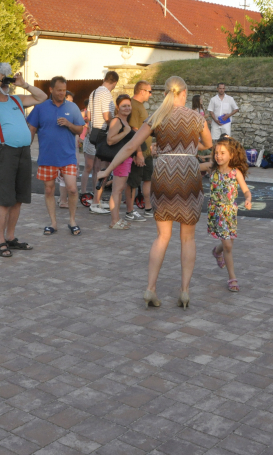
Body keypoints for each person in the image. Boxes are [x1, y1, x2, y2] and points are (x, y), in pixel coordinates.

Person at [98, 76, 212, 309]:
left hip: (165, 172)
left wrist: (108, 170)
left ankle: (151, 288)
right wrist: (189, 143)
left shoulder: (157, 116)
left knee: (162, 236)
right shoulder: (195, 117)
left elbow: (130, 146)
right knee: (187, 237)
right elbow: (208, 144)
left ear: (165, 93)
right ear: (185, 92)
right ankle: (184, 291)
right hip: (189, 171)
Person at [0, 68, 47, 257]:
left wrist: (24, 85)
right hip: (3, 152)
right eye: (1, 81)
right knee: (5, 201)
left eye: (6, 82)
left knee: (18, 200)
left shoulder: (16, 99)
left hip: (23, 153)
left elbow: (42, 97)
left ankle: (11, 237)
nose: (5, 84)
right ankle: (0, 241)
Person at [27, 76, 84, 235]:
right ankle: (53, 223)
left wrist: (69, 124)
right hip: (47, 157)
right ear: (51, 90)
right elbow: (31, 129)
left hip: (68, 157)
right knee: (49, 190)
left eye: (64, 90)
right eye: (59, 90)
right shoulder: (40, 108)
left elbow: (80, 129)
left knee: (72, 189)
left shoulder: (72, 107)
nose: (62, 93)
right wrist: (26, 148)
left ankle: (72, 221)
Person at [200, 136, 252, 293]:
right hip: (216, 211)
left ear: (232, 155)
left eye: (223, 153)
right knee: (228, 244)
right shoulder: (212, 169)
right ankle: (232, 278)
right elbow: (191, 167)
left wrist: (248, 199)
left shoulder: (236, 173)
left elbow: (246, 190)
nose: (218, 156)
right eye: (216, 152)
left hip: (229, 212)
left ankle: (217, 251)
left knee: (227, 243)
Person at [83, 71, 118, 213]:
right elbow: (107, 116)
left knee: (97, 168)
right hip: (104, 133)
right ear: (115, 82)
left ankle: (96, 200)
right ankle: (96, 203)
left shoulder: (94, 92)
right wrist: (116, 125)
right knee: (103, 168)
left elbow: (89, 115)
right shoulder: (106, 94)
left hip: (95, 132)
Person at [104, 95, 137, 230]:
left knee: (118, 190)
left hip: (125, 160)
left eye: (129, 105)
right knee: (116, 191)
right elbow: (110, 140)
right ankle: (114, 221)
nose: (127, 108)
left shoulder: (124, 121)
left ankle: (116, 219)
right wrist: (126, 132)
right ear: (118, 107)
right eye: (124, 105)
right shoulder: (117, 121)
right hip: (120, 160)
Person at [126, 81, 153, 220]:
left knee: (148, 178)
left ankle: (148, 208)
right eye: (149, 91)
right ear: (142, 91)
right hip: (139, 151)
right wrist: (139, 153)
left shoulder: (141, 105)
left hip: (146, 151)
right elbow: (134, 131)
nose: (151, 94)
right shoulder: (133, 105)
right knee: (134, 181)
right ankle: (130, 211)